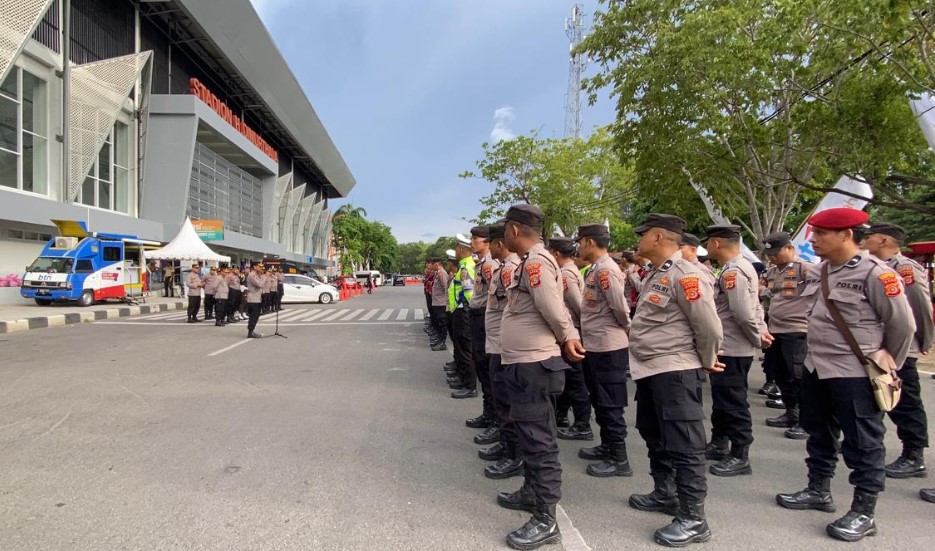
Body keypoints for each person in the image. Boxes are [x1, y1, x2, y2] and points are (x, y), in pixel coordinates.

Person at [776, 208, 914, 542]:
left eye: (822, 234)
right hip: (817, 366)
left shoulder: (876, 274)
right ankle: (818, 490)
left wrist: (885, 363)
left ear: (846, 235)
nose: (814, 240)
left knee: (863, 442)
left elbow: (903, 325)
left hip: (854, 371)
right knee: (819, 432)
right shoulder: (821, 271)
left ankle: (864, 511)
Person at [627, 213, 723, 547]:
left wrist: (707, 360)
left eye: (642, 234)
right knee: (654, 433)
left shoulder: (686, 274)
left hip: (675, 371)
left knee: (685, 445)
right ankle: (664, 492)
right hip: (651, 370)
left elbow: (708, 326)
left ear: (656, 237)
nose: (637, 240)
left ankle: (694, 517)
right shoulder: (658, 273)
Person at [495, 204, 585, 550]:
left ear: (515, 230)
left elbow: (551, 305)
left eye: (505, 229)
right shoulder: (530, 261)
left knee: (539, 441)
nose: (503, 236)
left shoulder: (535, 262)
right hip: (524, 364)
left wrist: (568, 337)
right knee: (528, 434)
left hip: (535, 365)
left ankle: (547, 519)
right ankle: (532, 492)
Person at [861, 222, 933, 478]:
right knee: (875, 399)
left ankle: (914, 455)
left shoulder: (903, 268)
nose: (863, 241)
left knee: (905, 403)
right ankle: (869, 446)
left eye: (868, 237)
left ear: (884, 241)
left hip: (902, 347)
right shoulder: (868, 267)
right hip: (877, 347)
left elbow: (920, 307)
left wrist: (925, 340)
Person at [703, 224, 772, 477]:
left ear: (717, 243)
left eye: (709, 242)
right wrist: (761, 331)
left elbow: (742, 312)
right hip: (730, 345)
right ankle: (719, 442)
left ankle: (740, 454)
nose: (707, 247)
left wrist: (757, 337)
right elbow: (755, 309)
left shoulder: (734, 271)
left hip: (733, 346)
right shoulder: (737, 268)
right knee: (723, 400)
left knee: (733, 402)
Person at [575, 224, 634, 477]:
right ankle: (607, 446)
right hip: (596, 344)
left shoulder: (607, 270)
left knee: (610, 402)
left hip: (608, 346)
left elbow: (620, 308)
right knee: (599, 399)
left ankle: (619, 458)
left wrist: (625, 328)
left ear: (589, 242)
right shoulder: (597, 269)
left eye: (580, 242)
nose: (577, 247)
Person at [760, 231, 814, 440]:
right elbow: (768, 293)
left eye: (776, 252)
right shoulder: (773, 271)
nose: (772, 257)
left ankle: (805, 419)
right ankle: (791, 412)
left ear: (790, 248)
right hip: (775, 330)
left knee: (797, 376)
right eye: (769, 254)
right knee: (779, 373)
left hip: (797, 331)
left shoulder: (805, 269)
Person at [548, 237, 593, 441]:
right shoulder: (569, 270)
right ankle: (562, 415)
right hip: (573, 332)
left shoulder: (565, 273)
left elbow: (578, 305)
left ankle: (583, 424)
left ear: (556, 253)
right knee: (569, 379)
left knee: (575, 381)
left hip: (573, 333)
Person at [466, 226, 501, 445]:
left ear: (487, 242)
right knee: (481, 366)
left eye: (475, 239)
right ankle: (488, 414)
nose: (471, 242)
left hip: (485, 317)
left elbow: (492, 296)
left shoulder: (490, 264)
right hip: (479, 316)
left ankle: (495, 420)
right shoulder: (482, 264)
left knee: (489, 371)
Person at [450, 235, 477, 399]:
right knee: (461, 347)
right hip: (460, 311)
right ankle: (464, 379)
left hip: (464, 311)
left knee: (466, 349)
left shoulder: (466, 267)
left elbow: (469, 293)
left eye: (456, 249)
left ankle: (470, 385)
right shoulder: (464, 266)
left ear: (461, 250)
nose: (455, 252)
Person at [430, 258, 450, 351]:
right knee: (438, 322)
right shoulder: (438, 273)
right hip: (437, 302)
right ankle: (439, 339)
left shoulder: (442, 273)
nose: (431, 266)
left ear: (437, 264)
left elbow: (446, 287)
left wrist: (445, 301)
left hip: (441, 303)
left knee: (442, 323)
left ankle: (442, 342)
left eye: (432, 264)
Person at [246, 263, 267, 338]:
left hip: (257, 298)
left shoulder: (258, 275)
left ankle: (251, 331)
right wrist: (264, 277)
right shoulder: (252, 275)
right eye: (259, 267)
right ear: (254, 267)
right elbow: (259, 284)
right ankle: (250, 332)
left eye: (262, 267)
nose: (261, 268)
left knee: (255, 316)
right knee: (254, 316)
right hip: (253, 299)